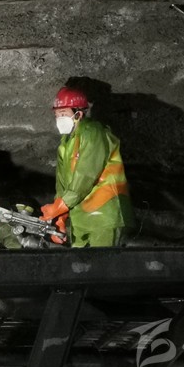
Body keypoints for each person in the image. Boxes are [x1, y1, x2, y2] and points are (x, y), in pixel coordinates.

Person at [39, 86, 135, 247]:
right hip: (80, 218)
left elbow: (86, 174)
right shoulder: (65, 144)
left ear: (79, 114)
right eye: (57, 114)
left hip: (105, 214)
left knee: (102, 261)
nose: (59, 118)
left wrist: (61, 206)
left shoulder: (93, 132)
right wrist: (60, 218)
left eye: (63, 113)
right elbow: (62, 185)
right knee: (80, 261)